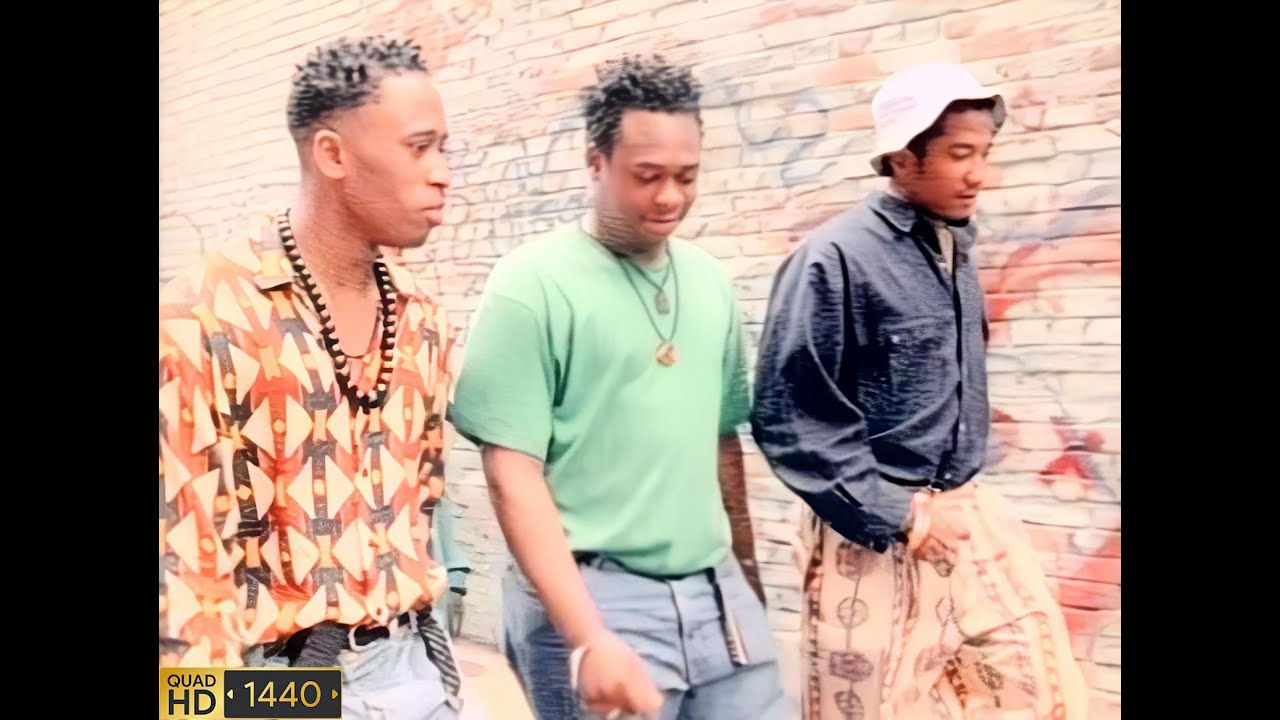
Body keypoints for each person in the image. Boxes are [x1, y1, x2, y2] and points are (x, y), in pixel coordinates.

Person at [447, 53, 789, 720]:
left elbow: (721, 442)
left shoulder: (710, 281)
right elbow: (511, 477)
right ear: (595, 163)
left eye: (686, 176)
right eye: (647, 176)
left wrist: (745, 580)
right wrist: (588, 638)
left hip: (716, 592)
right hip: (592, 594)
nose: (670, 197)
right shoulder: (530, 286)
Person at [751, 62, 1090, 720]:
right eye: (960, 154)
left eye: (984, 153)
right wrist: (901, 514)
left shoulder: (954, 246)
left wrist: (949, 506)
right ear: (904, 157)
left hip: (966, 513)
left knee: (1043, 689)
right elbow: (790, 418)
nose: (978, 174)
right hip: (868, 535)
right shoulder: (834, 258)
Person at [159, 35, 464, 719]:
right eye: (419, 148)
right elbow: (181, 588)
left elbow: (423, 510)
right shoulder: (203, 316)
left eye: (444, 148)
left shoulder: (422, 317)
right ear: (332, 154)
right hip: (279, 684)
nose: (442, 173)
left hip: (418, 668)